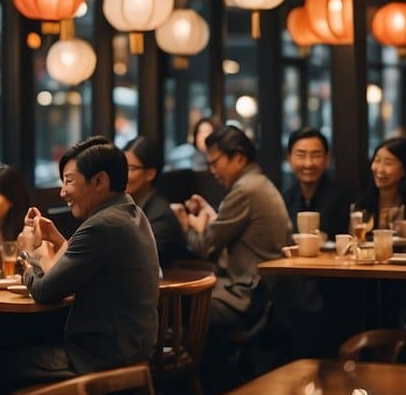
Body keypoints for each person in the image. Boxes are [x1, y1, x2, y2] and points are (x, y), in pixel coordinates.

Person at [9, 136, 160, 381]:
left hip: (100, 358)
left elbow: (46, 291)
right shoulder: (130, 212)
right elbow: (72, 269)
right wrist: (57, 240)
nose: (62, 192)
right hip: (134, 348)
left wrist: (27, 254)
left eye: (69, 181)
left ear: (99, 181)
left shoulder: (102, 225)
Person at [176, 126, 292, 330]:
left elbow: (203, 247)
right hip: (266, 293)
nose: (212, 171)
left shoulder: (245, 190)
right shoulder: (257, 183)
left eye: (215, 163)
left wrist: (184, 223)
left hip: (249, 298)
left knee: (175, 305)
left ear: (238, 157)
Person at [122, 135, 188, 269]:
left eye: (130, 169)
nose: (122, 175)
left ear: (150, 174)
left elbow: (139, 260)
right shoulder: (130, 206)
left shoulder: (160, 216)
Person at [282, 127, 352, 237]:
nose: (308, 164)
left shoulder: (342, 198)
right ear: (289, 159)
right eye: (301, 155)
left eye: (316, 155)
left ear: (327, 159)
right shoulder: (286, 199)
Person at [354, 137, 406, 225]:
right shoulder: (364, 203)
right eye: (377, 160)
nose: (380, 170)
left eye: (388, 163)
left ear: (404, 170)